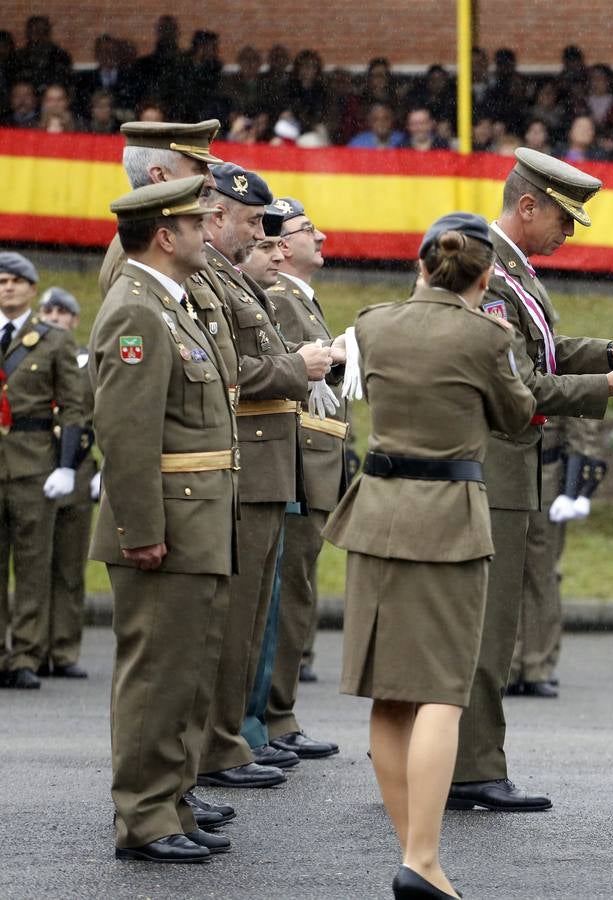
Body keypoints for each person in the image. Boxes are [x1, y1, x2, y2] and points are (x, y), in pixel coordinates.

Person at [325, 212, 536, 900]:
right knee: (443, 692)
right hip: (448, 518)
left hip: (377, 514)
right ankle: (421, 859)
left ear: (420, 268)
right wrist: (498, 347)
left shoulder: (374, 322)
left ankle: (415, 855)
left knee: (388, 697)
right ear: (485, 278)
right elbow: (515, 417)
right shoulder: (485, 336)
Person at [447, 149, 613, 814]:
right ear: (527, 206)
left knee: (496, 624)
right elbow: (518, 383)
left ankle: (469, 762)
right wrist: (609, 385)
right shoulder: (491, 274)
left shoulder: (515, 272)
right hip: (497, 464)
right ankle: (473, 768)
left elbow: (544, 353)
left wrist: (607, 351)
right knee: (488, 627)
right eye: (564, 218)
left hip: (511, 467)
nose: (571, 232)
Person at [92, 177, 234, 862]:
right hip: (165, 528)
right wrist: (141, 528)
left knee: (184, 673)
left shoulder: (171, 307)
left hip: (195, 523)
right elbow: (126, 432)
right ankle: (143, 818)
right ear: (165, 235)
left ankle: (171, 801)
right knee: (154, 674)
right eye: (199, 223)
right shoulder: (138, 311)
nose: (211, 231)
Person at [196, 164, 333, 789]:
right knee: (239, 616)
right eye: (258, 227)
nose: (266, 244)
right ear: (217, 216)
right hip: (248, 464)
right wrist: (299, 367)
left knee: (261, 613)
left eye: (274, 232)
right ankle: (228, 738)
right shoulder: (222, 283)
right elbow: (236, 374)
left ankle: (243, 731)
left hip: (274, 464)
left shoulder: (236, 284)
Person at [264, 197, 346, 753]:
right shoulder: (280, 297)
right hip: (294, 465)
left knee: (297, 595)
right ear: (280, 245)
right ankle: (271, 717)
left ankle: (278, 713)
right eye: (304, 229)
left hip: (313, 464)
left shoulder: (301, 298)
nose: (319, 237)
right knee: (286, 597)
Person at [0, 252, 87, 692]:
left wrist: (68, 465)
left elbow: (73, 406)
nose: (8, 288)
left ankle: (25, 654)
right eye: (1, 281)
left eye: (17, 281)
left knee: (33, 565)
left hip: (34, 463)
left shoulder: (54, 339)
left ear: (32, 289)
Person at [509, 416, 607, 697]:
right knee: (504, 570)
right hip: (502, 466)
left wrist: (576, 488)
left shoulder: (559, 368)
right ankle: (507, 663)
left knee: (542, 572)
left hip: (546, 471)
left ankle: (537, 664)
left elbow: (580, 419)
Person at [38, 287, 97, 679]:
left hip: (76, 469)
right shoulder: (22, 354)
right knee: (32, 567)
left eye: (63, 311)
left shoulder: (87, 363)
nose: (56, 316)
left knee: (69, 567)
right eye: (49, 310)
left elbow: (106, 414)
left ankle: (63, 648)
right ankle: (30, 646)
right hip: (36, 465)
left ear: (74, 320)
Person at [98, 119, 224, 298]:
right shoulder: (136, 254)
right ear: (161, 176)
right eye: (199, 170)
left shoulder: (170, 242)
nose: (212, 182)